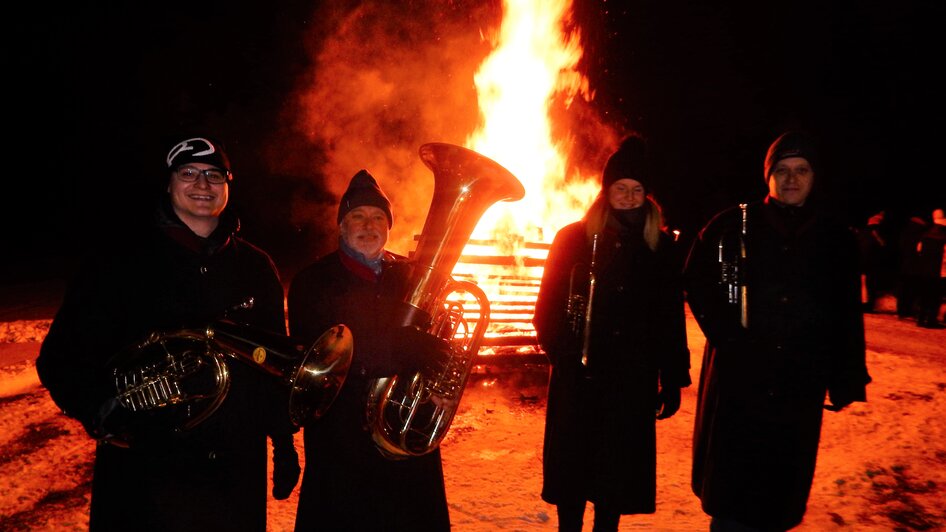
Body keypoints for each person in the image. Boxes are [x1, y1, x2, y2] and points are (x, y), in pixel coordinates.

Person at [36, 136, 301, 531]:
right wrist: (99, 411)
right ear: (169, 183)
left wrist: (282, 440)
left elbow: (273, 366)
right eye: (188, 173)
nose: (202, 185)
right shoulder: (119, 260)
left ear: (228, 186)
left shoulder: (256, 267)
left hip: (232, 467)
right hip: (148, 468)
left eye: (214, 176)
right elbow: (60, 355)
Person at [684, 130, 871, 531]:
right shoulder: (733, 224)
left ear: (814, 176)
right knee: (733, 494)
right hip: (739, 381)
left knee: (779, 493)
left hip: (798, 383)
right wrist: (729, 338)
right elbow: (696, 282)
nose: (791, 179)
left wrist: (845, 374)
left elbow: (845, 312)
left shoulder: (835, 238)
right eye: (781, 170)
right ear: (767, 176)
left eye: (801, 170)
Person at [532, 135, 692, 531]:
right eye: (621, 189)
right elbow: (546, 309)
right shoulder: (572, 239)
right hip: (578, 379)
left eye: (637, 190)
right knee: (573, 474)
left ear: (647, 195)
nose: (629, 197)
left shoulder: (662, 250)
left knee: (613, 478)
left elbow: (670, 319)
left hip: (631, 382)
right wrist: (565, 357)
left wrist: (672, 378)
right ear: (606, 191)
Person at [287, 169, 452, 531]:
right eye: (357, 216)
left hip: (408, 446)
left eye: (378, 217)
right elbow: (318, 359)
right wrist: (399, 348)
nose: (369, 225)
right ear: (341, 226)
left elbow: (440, 341)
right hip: (343, 448)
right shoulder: (311, 282)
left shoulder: (413, 276)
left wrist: (442, 381)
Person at [914, 207, 946, 328]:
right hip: (939, 271)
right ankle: (931, 320)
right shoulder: (944, 236)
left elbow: (919, 250)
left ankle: (921, 319)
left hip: (925, 270)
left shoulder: (926, 234)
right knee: (935, 297)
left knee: (924, 295)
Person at [856, 210, 888, 313]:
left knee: (862, 284)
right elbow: (883, 245)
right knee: (870, 285)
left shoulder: (862, 232)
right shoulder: (876, 232)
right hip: (871, 263)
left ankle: (863, 304)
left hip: (861, 261)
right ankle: (868, 305)